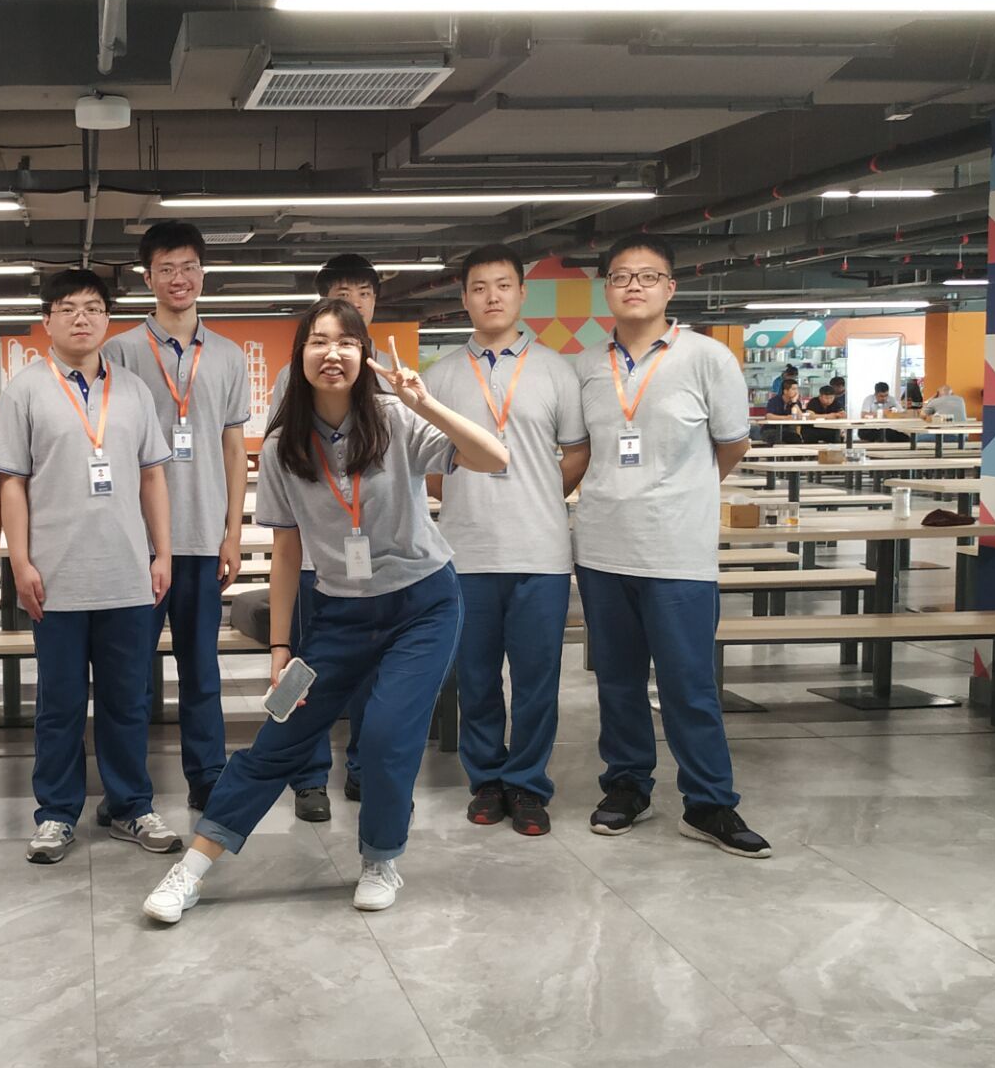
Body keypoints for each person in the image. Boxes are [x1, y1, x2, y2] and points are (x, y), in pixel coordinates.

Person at [140, 300, 508, 923]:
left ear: (364, 355)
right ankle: (193, 868)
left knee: (387, 734)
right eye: (318, 341)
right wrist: (282, 648)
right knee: (278, 737)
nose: (331, 353)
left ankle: (380, 857)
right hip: (338, 615)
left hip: (421, 606)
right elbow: (287, 552)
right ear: (301, 356)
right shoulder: (283, 445)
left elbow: (494, 458)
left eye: (346, 342)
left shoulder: (395, 418)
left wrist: (424, 402)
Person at [571, 234, 771, 858]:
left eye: (648, 275)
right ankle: (626, 786)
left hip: (678, 552)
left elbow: (731, 445)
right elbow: (581, 452)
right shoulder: (585, 366)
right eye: (621, 276)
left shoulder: (709, 358)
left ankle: (709, 802)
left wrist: (681, 493)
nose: (633, 285)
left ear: (670, 287)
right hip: (602, 548)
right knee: (618, 682)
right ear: (606, 288)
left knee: (688, 684)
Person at [0, 268, 184, 865]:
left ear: (107, 319)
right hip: (56, 577)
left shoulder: (134, 390)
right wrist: (20, 561)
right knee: (61, 704)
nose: (81, 318)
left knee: (128, 700)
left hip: (126, 573)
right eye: (68, 308)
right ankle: (55, 813)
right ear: (46, 320)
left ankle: (130, 805)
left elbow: (153, 476)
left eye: (94, 308)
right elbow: (11, 483)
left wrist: (162, 552)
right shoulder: (24, 390)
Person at [423, 245, 588, 836]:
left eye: (502, 285)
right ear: (464, 299)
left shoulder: (556, 370)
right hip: (465, 553)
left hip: (540, 553)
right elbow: (428, 467)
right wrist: (465, 495)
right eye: (479, 287)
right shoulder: (439, 376)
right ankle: (487, 779)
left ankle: (528, 783)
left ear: (521, 293)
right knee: (476, 678)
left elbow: (577, 453)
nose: (491, 297)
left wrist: (536, 493)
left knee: (538, 680)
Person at [104, 222, 249, 813]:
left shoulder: (229, 356)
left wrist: (232, 533)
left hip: (204, 536)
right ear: (148, 279)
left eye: (188, 267)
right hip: (135, 543)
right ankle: (126, 788)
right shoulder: (119, 352)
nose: (179, 279)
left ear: (202, 274)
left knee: (201, 668)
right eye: (166, 269)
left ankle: (208, 776)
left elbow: (234, 446)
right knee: (129, 673)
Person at [266, 252, 386, 820]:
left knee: (372, 676)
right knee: (307, 671)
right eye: (341, 294)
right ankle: (309, 776)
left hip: (375, 568)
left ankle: (364, 768)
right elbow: (287, 456)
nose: (354, 303)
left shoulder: (390, 380)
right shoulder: (297, 375)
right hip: (315, 560)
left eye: (363, 294)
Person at [764, 375, 804, 444]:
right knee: (780, 439)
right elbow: (768, 416)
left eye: (797, 389)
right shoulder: (774, 401)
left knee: (796, 439)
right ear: (785, 391)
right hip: (771, 430)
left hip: (788, 431)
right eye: (793, 389)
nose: (796, 392)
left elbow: (800, 417)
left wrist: (794, 402)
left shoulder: (796, 402)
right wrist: (786, 417)